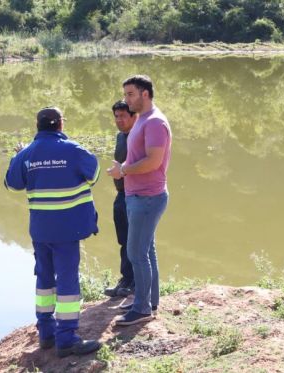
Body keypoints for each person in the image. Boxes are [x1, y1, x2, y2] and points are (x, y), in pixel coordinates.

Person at [4, 106, 102, 357]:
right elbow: (95, 175)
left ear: (37, 126)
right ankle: (66, 339)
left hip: (41, 231)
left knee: (44, 280)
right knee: (67, 281)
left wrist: (17, 157)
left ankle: (46, 335)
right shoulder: (73, 149)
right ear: (60, 125)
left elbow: (12, 183)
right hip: (67, 230)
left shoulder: (27, 153)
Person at [107, 75, 172, 326]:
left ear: (145, 94)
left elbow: (153, 162)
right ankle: (149, 301)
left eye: (130, 94)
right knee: (147, 251)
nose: (126, 100)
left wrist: (123, 170)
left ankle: (142, 308)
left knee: (136, 252)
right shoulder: (143, 120)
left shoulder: (154, 122)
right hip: (139, 195)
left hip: (147, 197)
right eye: (125, 94)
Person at [104, 100, 137, 298]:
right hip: (121, 194)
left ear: (134, 116)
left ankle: (134, 282)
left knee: (135, 240)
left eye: (123, 116)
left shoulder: (139, 136)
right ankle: (125, 279)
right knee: (123, 239)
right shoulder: (120, 136)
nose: (119, 120)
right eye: (116, 116)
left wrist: (123, 172)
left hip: (136, 194)